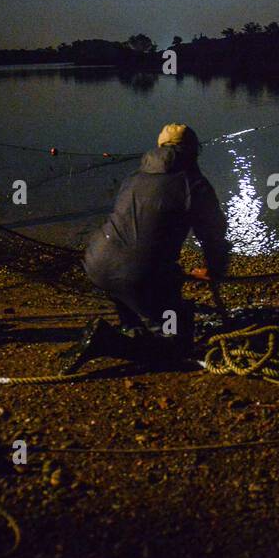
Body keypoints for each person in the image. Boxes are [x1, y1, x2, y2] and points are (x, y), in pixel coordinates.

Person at [61, 123, 230, 373]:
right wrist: (214, 268)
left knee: (148, 293)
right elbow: (213, 235)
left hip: (97, 263)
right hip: (138, 276)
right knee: (178, 346)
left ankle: (131, 327)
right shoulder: (193, 183)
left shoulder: (135, 176)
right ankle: (104, 341)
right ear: (194, 150)